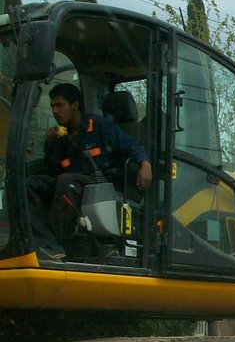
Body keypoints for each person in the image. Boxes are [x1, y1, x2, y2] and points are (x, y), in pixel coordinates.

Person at [27, 83, 152, 260]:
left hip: (101, 181)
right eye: (52, 107)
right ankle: (41, 241)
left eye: (59, 105)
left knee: (66, 182)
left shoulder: (100, 125)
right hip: (73, 180)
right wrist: (50, 143)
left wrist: (145, 164)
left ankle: (56, 243)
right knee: (31, 184)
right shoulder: (61, 136)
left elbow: (132, 145)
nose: (55, 111)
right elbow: (52, 167)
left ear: (75, 105)